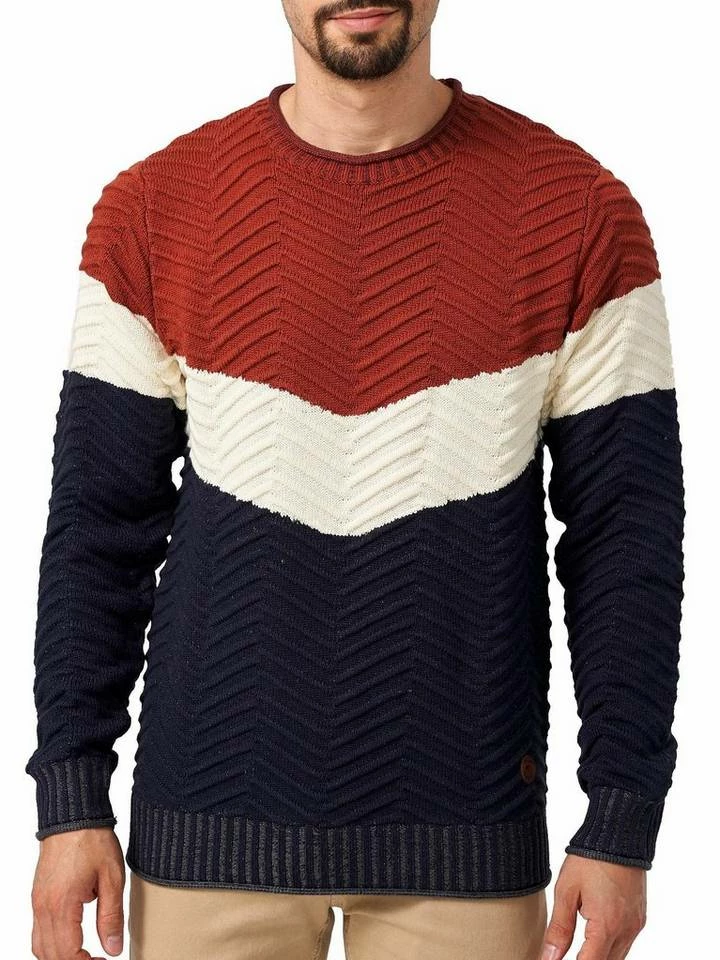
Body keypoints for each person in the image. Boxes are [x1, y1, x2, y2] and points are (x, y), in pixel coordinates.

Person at [26, 2, 685, 959]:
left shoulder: (577, 215)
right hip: (205, 834)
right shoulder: (156, 210)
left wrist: (623, 817)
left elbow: (627, 539)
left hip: (465, 838)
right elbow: (97, 528)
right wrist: (71, 798)